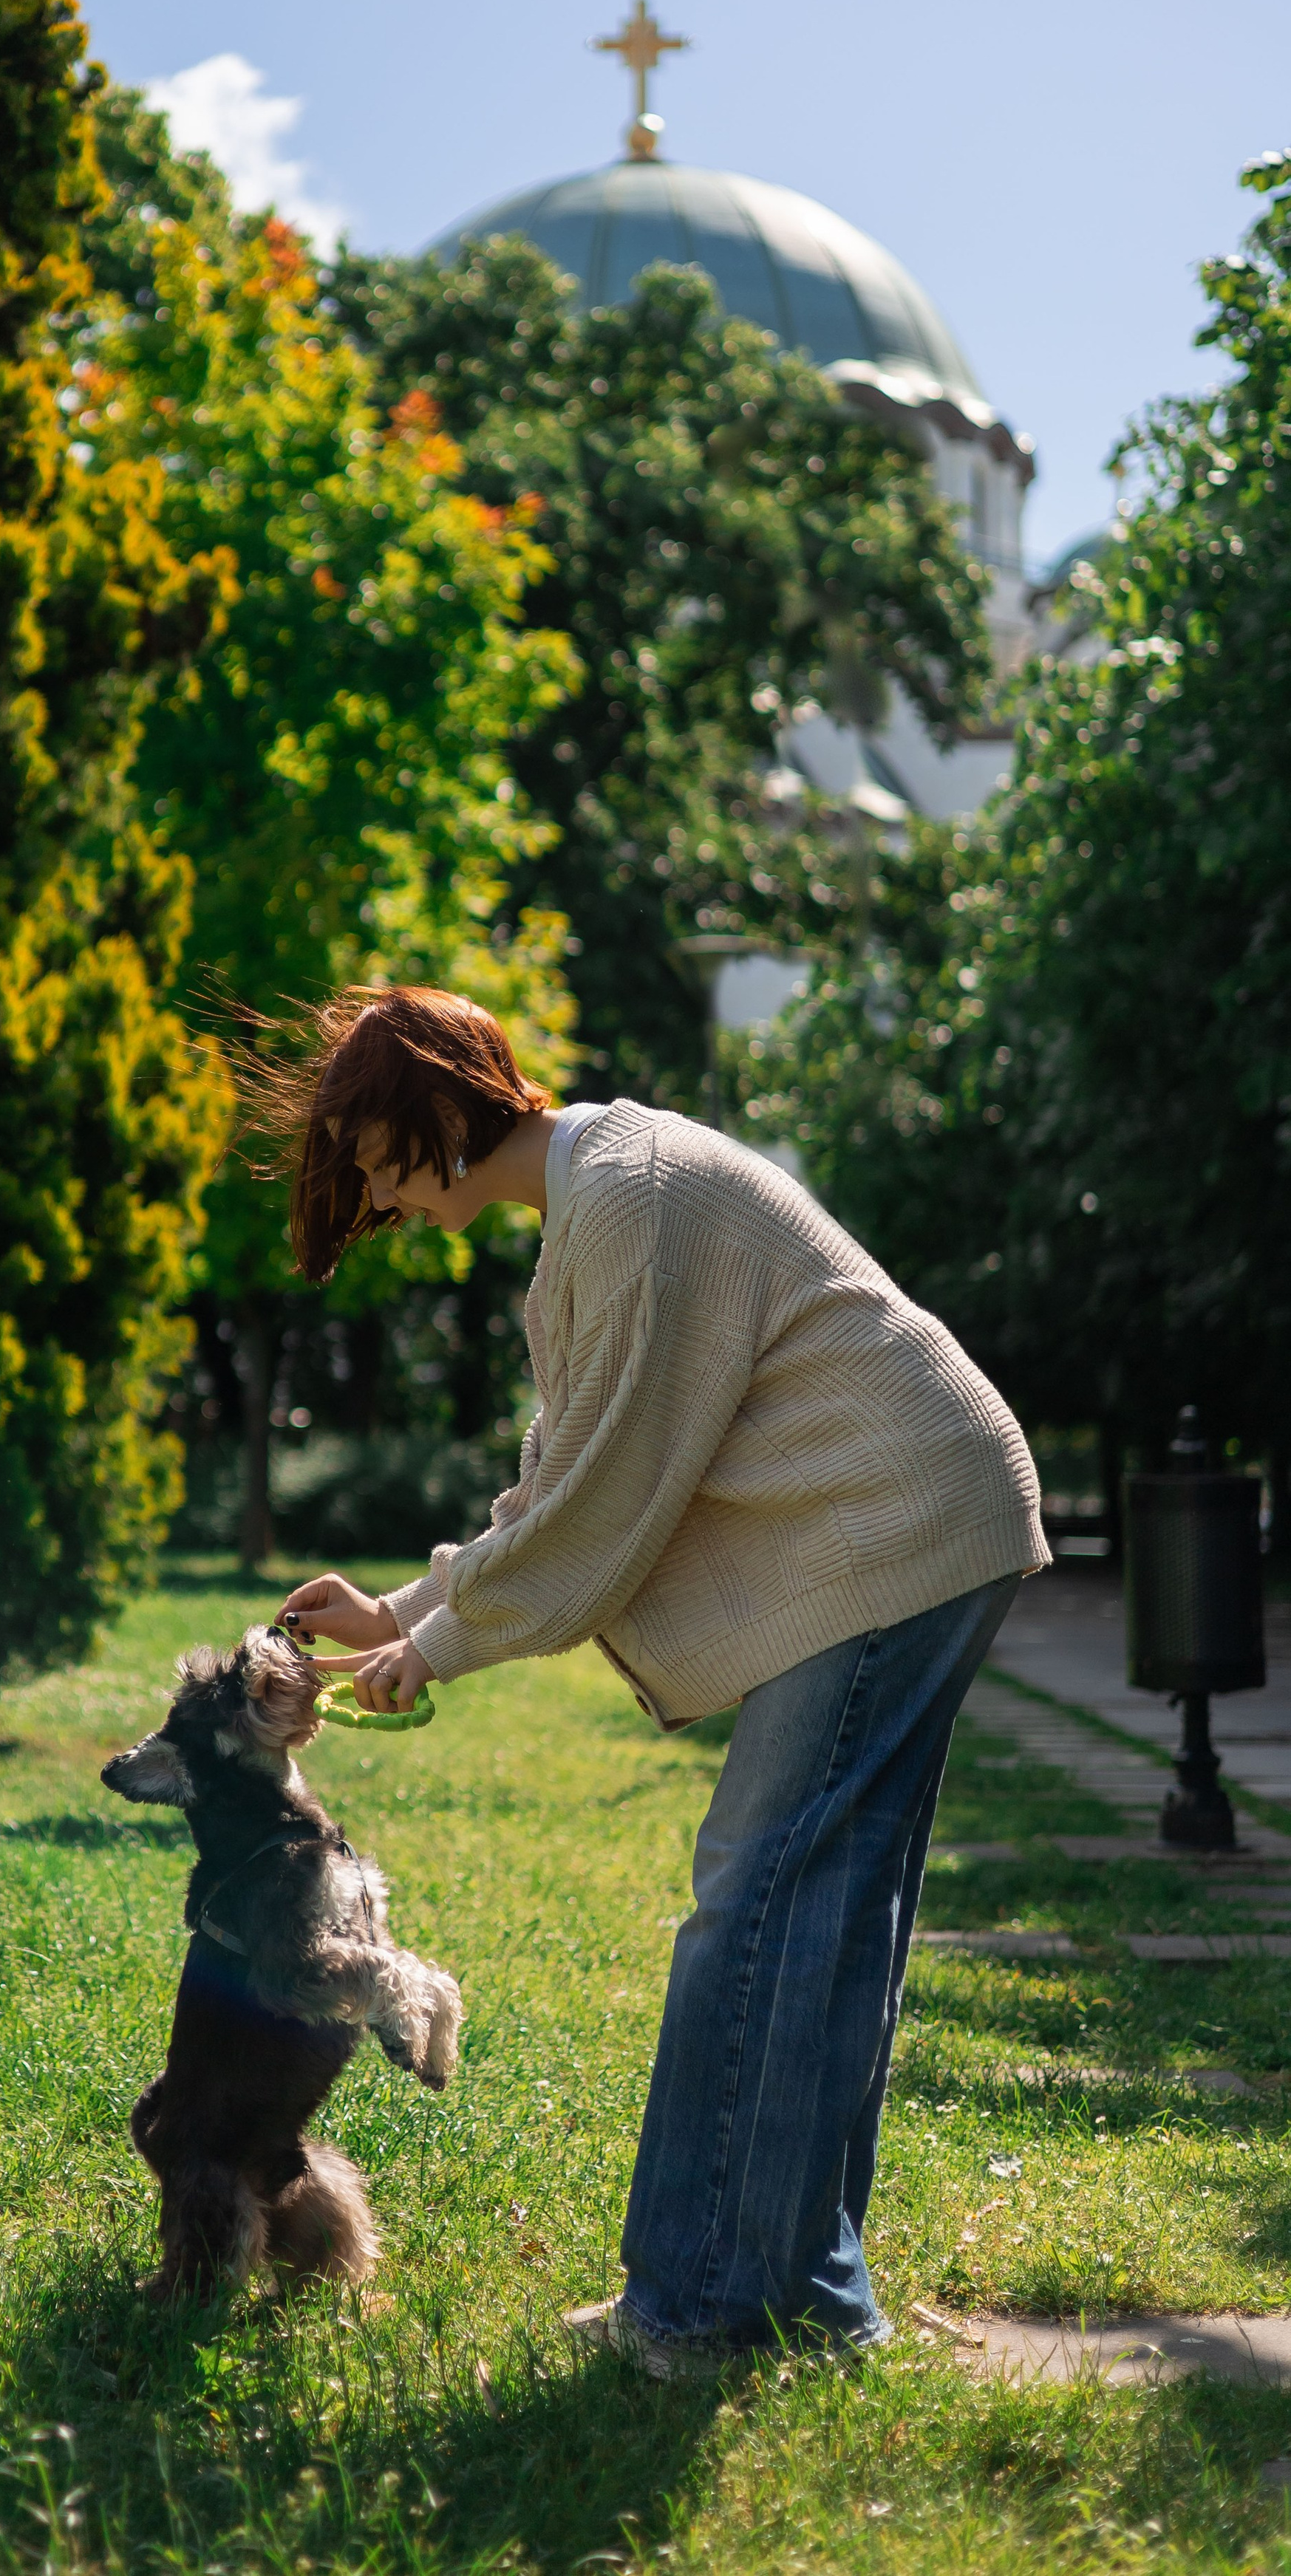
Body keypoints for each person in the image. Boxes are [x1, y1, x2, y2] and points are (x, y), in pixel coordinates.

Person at [268, 984, 1046, 2372]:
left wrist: (428, 1650)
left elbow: (602, 1510)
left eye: (383, 1159)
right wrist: (399, 1603)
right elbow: (558, 1482)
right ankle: (800, 2295)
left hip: (897, 1529)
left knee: (758, 1899)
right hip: (899, 1527)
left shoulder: (626, 1201)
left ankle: (703, 2305)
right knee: (818, 1912)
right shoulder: (595, 1213)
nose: (383, 1197)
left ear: (446, 1108)